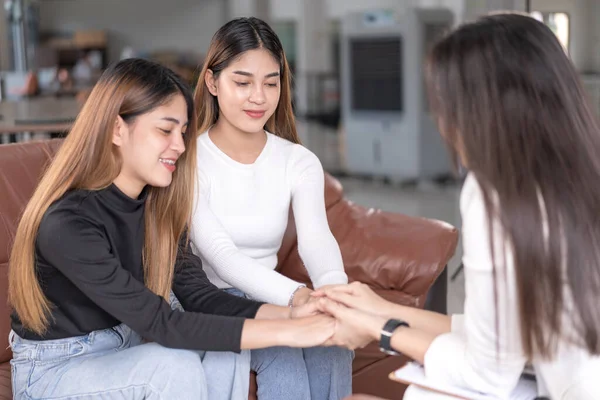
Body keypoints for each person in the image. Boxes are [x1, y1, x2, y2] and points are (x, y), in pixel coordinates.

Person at [7, 58, 337, 400]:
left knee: (226, 350)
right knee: (172, 368)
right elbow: (160, 323)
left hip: (126, 349)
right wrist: (291, 332)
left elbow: (201, 297)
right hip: (55, 372)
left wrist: (294, 313)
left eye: (182, 132)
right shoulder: (68, 223)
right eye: (165, 130)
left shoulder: (156, 207)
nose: (179, 146)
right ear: (117, 129)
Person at [314, 13, 600, 400]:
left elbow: (488, 372)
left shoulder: (495, 194)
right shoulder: (578, 170)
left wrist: (378, 332)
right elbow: (500, 337)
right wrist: (380, 309)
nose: (443, 122)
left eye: (445, 104)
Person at [188, 17, 353, 400]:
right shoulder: (189, 160)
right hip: (213, 303)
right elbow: (222, 257)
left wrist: (333, 297)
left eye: (271, 82)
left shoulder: (299, 161)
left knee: (333, 343)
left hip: (274, 296)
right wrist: (298, 297)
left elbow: (316, 240)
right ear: (213, 83)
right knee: (281, 349)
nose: (258, 97)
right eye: (242, 83)